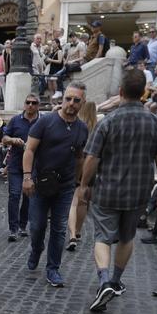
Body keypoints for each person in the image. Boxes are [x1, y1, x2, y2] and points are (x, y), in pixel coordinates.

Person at [80, 70, 157, 313]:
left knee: (103, 237)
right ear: (143, 93)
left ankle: (103, 281)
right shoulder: (155, 122)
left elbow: (92, 158)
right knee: (127, 237)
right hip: (138, 192)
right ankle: (116, 280)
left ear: (120, 92)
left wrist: (84, 184)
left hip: (108, 190)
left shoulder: (108, 121)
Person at [22, 82, 89, 288]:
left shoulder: (82, 129)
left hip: (65, 186)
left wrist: (78, 181)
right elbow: (29, 149)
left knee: (59, 229)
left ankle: (53, 268)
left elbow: (79, 157)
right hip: (41, 184)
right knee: (38, 226)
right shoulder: (46, 122)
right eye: (68, 98)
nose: (71, 103)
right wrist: (27, 177)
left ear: (82, 103)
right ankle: (36, 249)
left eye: (76, 100)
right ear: (62, 99)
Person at [0, 94, 40, 241]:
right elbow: (4, 138)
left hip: (34, 166)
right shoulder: (16, 120)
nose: (30, 105)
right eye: (28, 102)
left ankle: (23, 225)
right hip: (16, 164)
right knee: (15, 195)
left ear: (38, 105)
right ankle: (13, 228)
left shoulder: (42, 121)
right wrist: (12, 140)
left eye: (33, 103)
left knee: (28, 196)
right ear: (24, 104)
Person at [65, 100, 98, 252]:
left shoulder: (80, 127)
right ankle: (78, 231)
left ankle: (72, 234)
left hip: (78, 165)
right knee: (84, 202)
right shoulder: (97, 128)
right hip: (92, 167)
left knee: (73, 202)